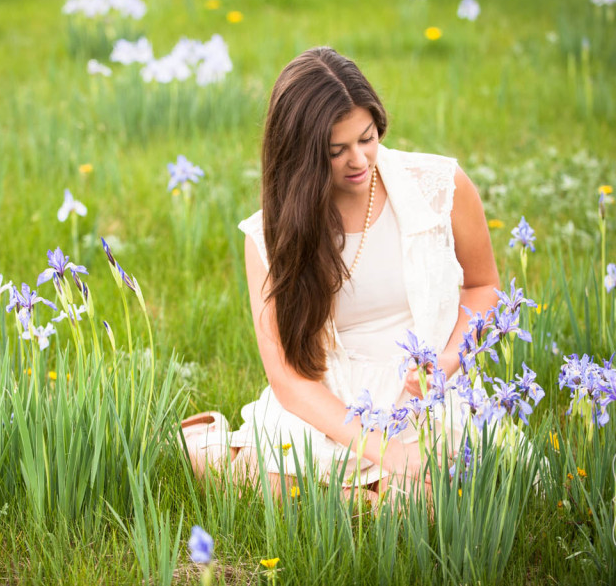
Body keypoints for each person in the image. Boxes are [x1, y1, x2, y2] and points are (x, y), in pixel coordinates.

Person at [182, 47, 499, 500]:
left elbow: (483, 285)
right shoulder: (270, 237)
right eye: (337, 150)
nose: (360, 161)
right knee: (405, 508)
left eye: (367, 138)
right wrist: (383, 451)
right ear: (301, 155)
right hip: (330, 406)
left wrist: (448, 360)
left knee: (428, 505)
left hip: (426, 397)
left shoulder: (440, 186)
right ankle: (234, 464)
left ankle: (236, 466)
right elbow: (288, 377)